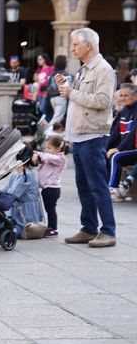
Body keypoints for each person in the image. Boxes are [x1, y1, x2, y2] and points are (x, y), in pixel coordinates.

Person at [59, 27, 117, 248]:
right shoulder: (84, 69)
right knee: (83, 185)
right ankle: (88, 228)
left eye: (75, 44)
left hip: (93, 134)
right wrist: (66, 87)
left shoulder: (103, 69)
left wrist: (71, 93)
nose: (72, 48)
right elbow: (79, 96)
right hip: (80, 133)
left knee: (97, 185)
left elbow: (103, 101)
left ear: (88, 45)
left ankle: (108, 231)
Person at [32, 135, 69, 238]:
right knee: (49, 209)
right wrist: (35, 153)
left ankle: (53, 228)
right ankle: (50, 227)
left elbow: (48, 157)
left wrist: (38, 154)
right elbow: (46, 156)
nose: (47, 150)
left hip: (52, 188)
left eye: (49, 148)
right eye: (46, 148)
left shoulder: (60, 159)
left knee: (51, 210)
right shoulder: (51, 156)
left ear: (58, 149)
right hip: (46, 187)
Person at [106, 84, 137, 201]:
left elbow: (133, 133)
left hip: (134, 149)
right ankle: (105, 186)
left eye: (126, 95)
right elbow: (116, 133)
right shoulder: (124, 110)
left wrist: (118, 148)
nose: (123, 98)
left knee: (116, 157)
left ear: (135, 96)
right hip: (128, 149)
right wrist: (105, 148)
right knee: (105, 154)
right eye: (121, 95)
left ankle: (113, 189)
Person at [3, 160, 44, 239]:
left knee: (12, 228)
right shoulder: (15, 175)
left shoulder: (27, 175)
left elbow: (14, 192)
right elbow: (5, 189)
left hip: (25, 212)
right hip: (18, 209)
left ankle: (12, 231)